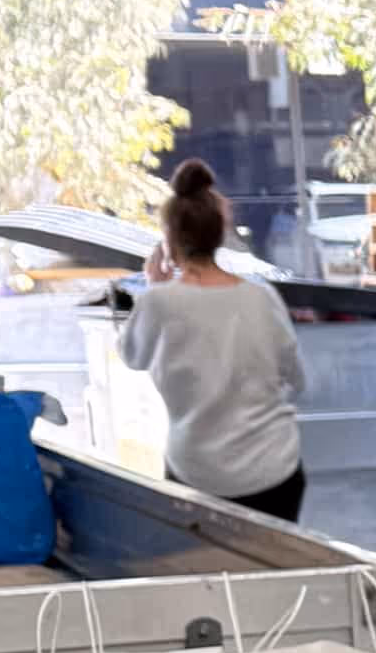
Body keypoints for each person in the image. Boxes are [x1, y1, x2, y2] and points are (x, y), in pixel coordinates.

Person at [118, 160, 308, 521]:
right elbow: (298, 381)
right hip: (273, 471)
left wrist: (153, 287)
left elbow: (132, 356)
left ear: (170, 239)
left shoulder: (158, 302)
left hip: (196, 472)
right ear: (221, 233)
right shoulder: (262, 297)